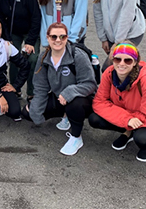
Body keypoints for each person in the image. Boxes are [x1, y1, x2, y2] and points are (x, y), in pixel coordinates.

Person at [88, 42, 146, 162]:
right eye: (117, 59)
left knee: (143, 138)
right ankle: (128, 132)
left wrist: (128, 119)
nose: (121, 64)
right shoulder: (109, 73)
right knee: (94, 119)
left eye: (127, 60)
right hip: (129, 116)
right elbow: (99, 102)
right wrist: (127, 120)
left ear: (134, 63)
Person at [23, 22, 97, 156]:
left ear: (67, 38)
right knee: (28, 112)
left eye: (62, 37)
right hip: (59, 97)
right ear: (48, 38)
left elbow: (90, 84)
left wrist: (70, 92)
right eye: (54, 37)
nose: (58, 40)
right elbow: (40, 87)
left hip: (82, 99)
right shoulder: (44, 56)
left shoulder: (78, 55)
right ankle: (65, 115)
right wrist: (36, 113)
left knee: (74, 104)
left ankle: (76, 137)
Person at [0, 0, 41, 102]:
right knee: (14, 58)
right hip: (12, 32)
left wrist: (30, 42)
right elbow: (0, 18)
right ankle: (15, 88)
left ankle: (32, 91)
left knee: (32, 59)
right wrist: (7, 38)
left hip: (30, 31)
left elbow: (36, 17)